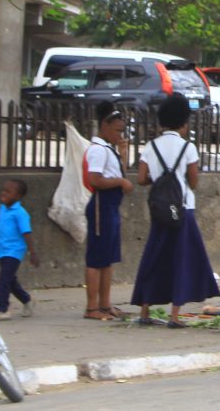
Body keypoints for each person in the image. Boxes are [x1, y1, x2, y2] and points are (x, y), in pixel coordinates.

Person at [132, 94, 220, 327]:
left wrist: (161, 179)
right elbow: (193, 182)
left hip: (159, 210)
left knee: (154, 256)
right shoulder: (188, 148)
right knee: (181, 260)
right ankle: (174, 316)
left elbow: (141, 178)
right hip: (183, 211)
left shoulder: (151, 146)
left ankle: (144, 311)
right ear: (183, 121)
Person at [82, 102, 134, 321]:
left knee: (108, 258)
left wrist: (122, 154)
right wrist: (120, 181)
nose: (119, 135)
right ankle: (92, 307)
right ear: (105, 126)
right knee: (96, 259)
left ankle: (105, 304)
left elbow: (114, 170)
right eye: (117, 130)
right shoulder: (97, 150)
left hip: (111, 206)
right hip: (101, 205)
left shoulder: (109, 150)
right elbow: (95, 179)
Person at [0, 179, 39, 321]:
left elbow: (27, 233)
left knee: (3, 279)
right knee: (10, 281)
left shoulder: (20, 213)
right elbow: (0, 230)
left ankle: (2, 309)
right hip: (2, 249)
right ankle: (27, 300)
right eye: (3, 190)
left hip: (14, 251)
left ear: (17, 196)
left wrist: (33, 252)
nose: (3, 193)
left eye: (8, 191)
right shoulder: (3, 209)